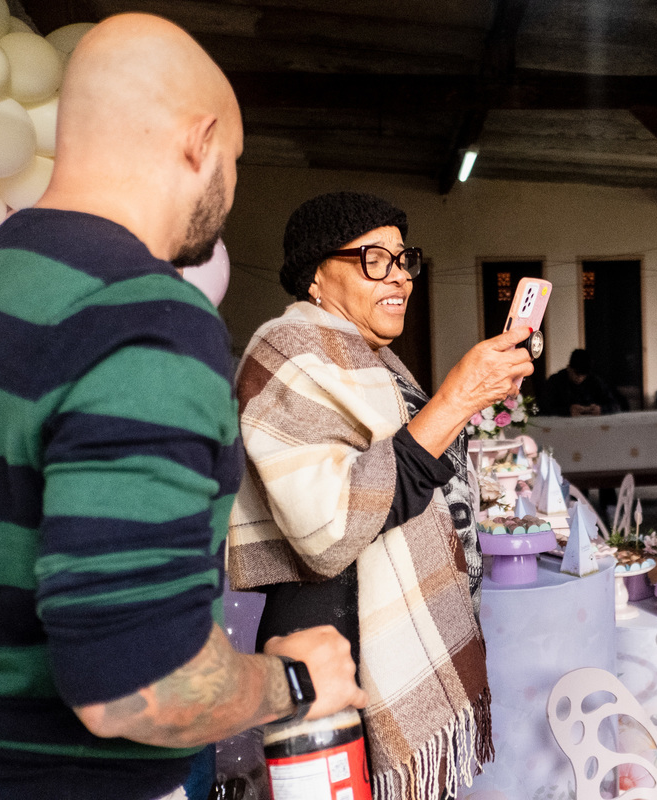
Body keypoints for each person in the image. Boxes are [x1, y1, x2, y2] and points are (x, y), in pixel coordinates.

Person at [0, 15, 365, 800]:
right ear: (200, 141)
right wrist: (296, 681)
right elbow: (135, 687)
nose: (231, 191)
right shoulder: (145, 319)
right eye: (233, 161)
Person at [226, 192, 535, 800]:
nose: (399, 277)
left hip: (364, 633)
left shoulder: (374, 359)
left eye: (403, 259)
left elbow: (410, 470)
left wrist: (467, 401)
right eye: (374, 259)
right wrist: (456, 398)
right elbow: (330, 529)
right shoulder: (288, 352)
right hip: (331, 645)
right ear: (316, 275)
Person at [542, 348, 621, 416]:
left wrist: (601, 409)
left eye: (583, 375)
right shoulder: (555, 381)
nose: (580, 378)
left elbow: (616, 406)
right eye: (577, 373)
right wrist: (567, 411)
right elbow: (542, 408)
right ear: (569, 368)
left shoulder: (594, 381)